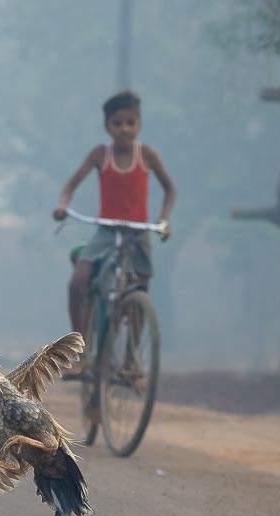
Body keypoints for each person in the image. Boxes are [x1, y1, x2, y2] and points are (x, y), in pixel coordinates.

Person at [52, 90, 176, 376]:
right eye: (118, 123)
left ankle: (132, 360)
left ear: (139, 124)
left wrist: (164, 220)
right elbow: (70, 186)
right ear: (107, 126)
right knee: (77, 282)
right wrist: (63, 206)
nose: (124, 129)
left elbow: (170, 189)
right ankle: (81, 355)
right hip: (106, 232)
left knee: (139, 293)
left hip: (139, 234)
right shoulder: (100, 155)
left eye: (131, 123)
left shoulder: (147, 155)